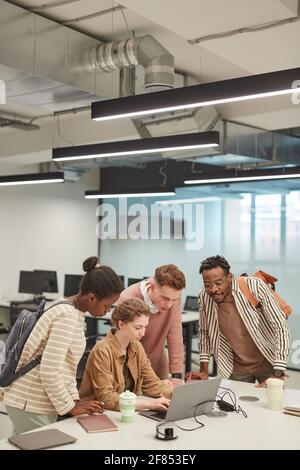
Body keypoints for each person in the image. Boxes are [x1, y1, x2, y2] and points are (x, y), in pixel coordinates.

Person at [1, 256, 124, 434]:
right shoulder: (67, 316)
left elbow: (67, 367)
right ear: (91, 297)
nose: (108, 311)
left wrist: (75, 401)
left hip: (27, 401)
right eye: (107, 305)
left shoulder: (64, 306)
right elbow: (49, 371)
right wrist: (70, 407)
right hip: (31, 403)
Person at [186, 255, 290, 386]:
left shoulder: (254, 286)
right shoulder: (204, 297)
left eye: (218, 283)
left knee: (273, 403)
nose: (213, 289)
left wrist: (278, 373)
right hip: (236, 367)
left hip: (268, 361)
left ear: (229, 277)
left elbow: (280, 327)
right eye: (208, 285)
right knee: (237, 405)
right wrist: (203, 370)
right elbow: (204, 332)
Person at [79, 298, 173, 412]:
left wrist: (178, 394)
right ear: (121, 324)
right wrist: (149, 404)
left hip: (124, 412)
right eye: (138, 327)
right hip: (97, 414)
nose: (143, 333)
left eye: (145, 327)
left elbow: (152, 383)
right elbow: (106, 399)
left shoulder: (136, 347)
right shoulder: (102, 351)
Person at [115, 265, 186, 380]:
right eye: (165, 298)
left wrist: (176, 374)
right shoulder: (128, 297)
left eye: (174, 299)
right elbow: (120, 342)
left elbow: (175, 334)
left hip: (157, 364)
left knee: (165, 396)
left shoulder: (173, 297)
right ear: (151, 286)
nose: (169, 304)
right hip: (129, 367)